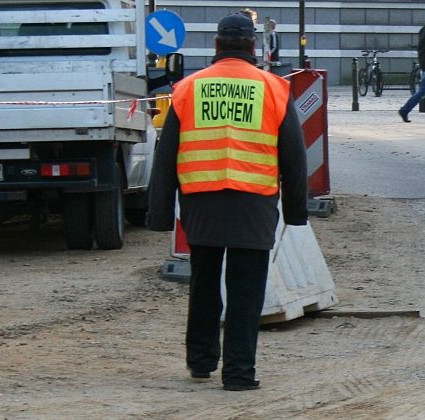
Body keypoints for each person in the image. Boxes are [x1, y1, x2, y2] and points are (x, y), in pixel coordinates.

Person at [148, 12, 308, 391]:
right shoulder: (274, 88)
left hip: (202, 203)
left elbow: (165, 154)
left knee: (204, 284)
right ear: (254, 47)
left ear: (217, 45)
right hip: (253, 204)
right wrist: (297, 212)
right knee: (246, 291)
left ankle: (201, 362)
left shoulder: (188, 88)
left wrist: (159, 215)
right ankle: (239, 374)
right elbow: (295, 157)